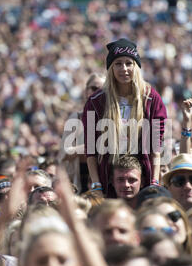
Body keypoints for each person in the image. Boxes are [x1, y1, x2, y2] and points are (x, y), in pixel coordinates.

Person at [82, 38, 167, 198]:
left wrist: (154, 182)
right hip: (109, 178)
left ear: (136, 66)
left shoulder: (151, 98)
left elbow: (156, 147)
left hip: (142, 177)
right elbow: (91, 151)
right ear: (110, 68)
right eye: (118, 63)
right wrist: (96, 185)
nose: (124, 69)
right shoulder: (96, 101)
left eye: (129, 63)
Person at [59, 72, 106, 194]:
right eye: (94, 88)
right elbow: (66, 153)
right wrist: (92, 147)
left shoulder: (113, 119)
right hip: (80, 181)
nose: (98, 92)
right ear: (86, 91)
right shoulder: (76, 118)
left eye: (103, 89)